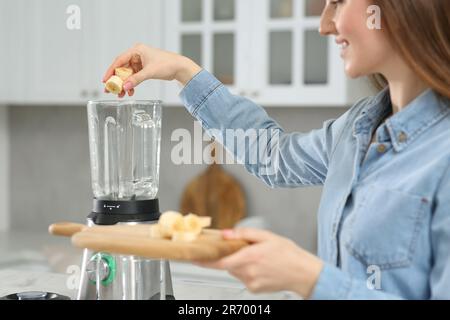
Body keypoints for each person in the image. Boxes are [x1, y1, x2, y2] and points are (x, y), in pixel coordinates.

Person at [102, 0, 450, 299]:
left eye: (339, 2)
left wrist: (309, 278)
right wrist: (183, 70)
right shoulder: (358, 126)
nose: (325, 25)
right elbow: (274, 156)